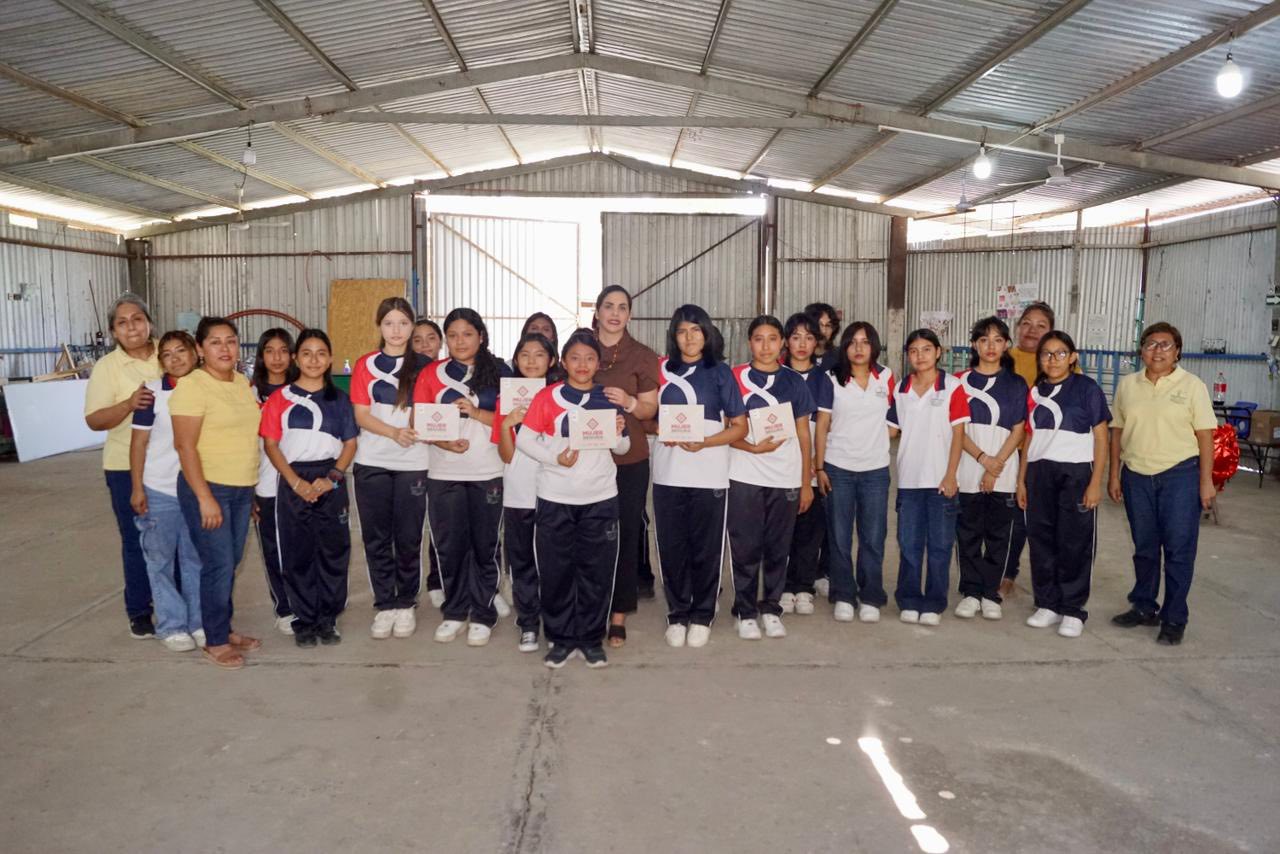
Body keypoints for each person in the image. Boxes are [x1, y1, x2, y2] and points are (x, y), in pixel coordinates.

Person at [515, 329, 630, 668]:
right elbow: (524, 439)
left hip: (600, 497)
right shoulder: (547, 397)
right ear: (563, 361)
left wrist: (619, 431)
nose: (582, 364)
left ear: (598, 363)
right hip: (555, 496)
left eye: (590, 358)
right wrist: (555, 459)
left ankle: (591, 639)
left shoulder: (607, 397)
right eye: (575, 358)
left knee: (596, 571)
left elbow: (621, 448)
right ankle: (561, 638)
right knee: (556, 571)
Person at [1108, 323, 1216, 646]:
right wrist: (1114, 474)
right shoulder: (1128, 385)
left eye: (1165, 345)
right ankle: (1143, 606)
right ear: (1141, 351)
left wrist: (1206, 481)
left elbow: (1205, 436)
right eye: (1151, 344)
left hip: (1180, 476)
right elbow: (1117, 430)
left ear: (1177, 351)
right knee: (1144, 547)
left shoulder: (1192, 386)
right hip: (1136, 475)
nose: (1157, 350)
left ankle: (1174, 618)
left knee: (1179, 550)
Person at [413, 307, 511, 647]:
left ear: (481, 336)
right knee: (449, 545)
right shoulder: (431, 374)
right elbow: (421, 422)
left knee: (485, 545)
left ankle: (483, 612)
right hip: (444, 470)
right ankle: (455, 611)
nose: (460, 341)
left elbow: (512, 421)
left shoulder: (499, 371)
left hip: (488, 469)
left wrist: (476, 412)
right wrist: (444, 442)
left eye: (467, 334)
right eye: (452, 335)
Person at [651, 305, 748, 649]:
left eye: (696, 330)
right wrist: (658, 426)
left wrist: (704, 441)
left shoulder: (720, 373)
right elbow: (650, 418)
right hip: (668, 473)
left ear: (707, 334)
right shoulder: (660, 370)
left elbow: (740, 427)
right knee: (672, 547)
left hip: (710, 475)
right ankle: (677, 614)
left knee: (707, 549)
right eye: (681, 331)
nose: (689, 338)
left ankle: (702, 613)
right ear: (673, 336)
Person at [170, 317, 263, 670]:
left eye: (231, 341)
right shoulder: (192, 386)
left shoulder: (241, 382)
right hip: (207, 488)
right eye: (215, 342)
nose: (225, 349)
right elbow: (185, 446)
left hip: (241, 489)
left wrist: (250, 489)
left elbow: (243, 439)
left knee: (230, 563)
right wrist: (204, 497)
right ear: (199, 349)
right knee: (219, 564)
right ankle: (216, 640)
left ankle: (222, 626)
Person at [260, 329, 358, 648]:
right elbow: (272, 445)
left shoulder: (340, 400)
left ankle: (328, 619)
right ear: (295, 358)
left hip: (330, 479)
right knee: (296, 552)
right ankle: (304, 619)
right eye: (306, 353)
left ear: (330, 359)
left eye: (320, 353)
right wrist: (295, 482)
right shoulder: (279, 399)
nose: (313, 360)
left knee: (333, 551)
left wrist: (331, 478)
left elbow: (350, 444)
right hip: (293, 480)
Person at [727, 315, 817, 641]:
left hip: (786, 477)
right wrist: (750, 446)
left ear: (781, 344)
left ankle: (771, 607)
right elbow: (725, 428)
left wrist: (806, 481)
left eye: (772, 339)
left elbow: (804, 435)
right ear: (749, 343)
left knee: (779, 548)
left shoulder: (795, 382)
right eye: (758, 339)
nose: (765, 346)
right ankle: (745, 610)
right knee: (745, 546)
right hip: (744, 474)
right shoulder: (734, 378)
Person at [1017, 331, 1110, 639]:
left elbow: (1100, 436)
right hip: (1040, 473)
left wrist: (1096, 482)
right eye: (1046, 354)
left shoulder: (1087, 389)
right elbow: (1029, 437)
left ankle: (1072, 609)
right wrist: (1021, 480)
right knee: (1042, 540)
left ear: (1072, 357)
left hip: (1076, 474)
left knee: (1075, 542)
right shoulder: (1036, 390)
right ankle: (1047, 603)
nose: (1052, 359)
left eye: (1059, 353)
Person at [351, 298, 431, 641]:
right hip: (372, 462)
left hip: (414, 463)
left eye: (402, 323)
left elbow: (431, 410)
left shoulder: (427, 367)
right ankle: (385, 603)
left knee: (409, 537)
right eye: (389, 323)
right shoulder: (365, 365)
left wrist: (416, 426)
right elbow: (361, 415)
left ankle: (406, 602)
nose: (396, 330)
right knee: (377, 537)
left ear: (412, 326)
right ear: (379, 326)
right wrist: (393, 432)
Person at [84, 293, 162, 638]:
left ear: (149, 321)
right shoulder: (108, 368)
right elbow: (95, 420)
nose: (132, 327)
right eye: (122, 322)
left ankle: (180, 605)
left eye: (137, 319)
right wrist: (129, 404)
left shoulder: (172, 353)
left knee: (180, 539)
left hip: (174, 463)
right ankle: (140, 611)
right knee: (137, 541)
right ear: (114, 331)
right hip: (125, 467)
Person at [591, 285, 659, 647]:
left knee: (626, 535)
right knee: (587, 536)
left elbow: (650, 409)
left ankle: (618, 614)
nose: (615, 313)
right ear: (598, 311)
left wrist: (631, 402)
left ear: (629, 315)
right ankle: (590, 607)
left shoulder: (643, 356)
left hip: (629, 461)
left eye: (622, 308)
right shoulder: (580, 349)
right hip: (584, 460)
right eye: (608, 306)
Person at [887, 329, 970, 626]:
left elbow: (959, 434)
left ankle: (934, 603)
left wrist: (950, 475)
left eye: (925, 349)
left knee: (939, 546)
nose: (919, 356)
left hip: (940, 481)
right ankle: (909, 599)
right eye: (913, 350)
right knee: (909, 544)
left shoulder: (952, 386)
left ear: (938, 352)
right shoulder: (901, 389)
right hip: (909, 480)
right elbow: (891, 431)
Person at [816, 322, 895, 624]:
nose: (859, 348)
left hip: (875, 470)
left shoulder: (886, 377)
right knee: (839, 536)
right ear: (844, 347)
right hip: (838, 468)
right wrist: (819, 466)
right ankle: (843, 594)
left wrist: (876, 437)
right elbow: (822, 425)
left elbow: (894, 418)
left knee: (873, 536)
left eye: (865, 342)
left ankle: (871, 595)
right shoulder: (831, 379)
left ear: (874, 346)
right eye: (853, 342)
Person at [129, 331, 203, 652]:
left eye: (181, 351)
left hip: (199, 489)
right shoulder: (151, 393)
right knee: (159, 559)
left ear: (195, 353)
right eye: (167, 354)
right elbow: (139, 443)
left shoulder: (209, 389)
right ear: (160, 361)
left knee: (195, 559)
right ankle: (172, 624)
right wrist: (136, 488)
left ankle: (199, 622)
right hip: (159, 489)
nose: (175, 358)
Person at [953, 317, 1027, 622]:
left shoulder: (1017, 383)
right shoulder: (958, 381)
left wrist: (996, 465)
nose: (991, 346)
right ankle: (970, 591)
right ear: (974, 345)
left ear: (1007, 344)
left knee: (999, 534)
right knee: (968, 532)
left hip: (1005, 468)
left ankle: (990, 592)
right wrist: (983, 459)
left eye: (997, 340)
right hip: (968, 465)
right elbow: (956, 429)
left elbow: (1019, 428)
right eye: (983, 340)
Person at [493, 331, 560, 653]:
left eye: (539, 354)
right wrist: (508, 423)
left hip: (556, 494)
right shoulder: (505, 400)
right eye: (525, 355)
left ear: (552, 360)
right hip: (518, 494)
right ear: (516, 360)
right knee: (521, 562)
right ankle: (529, 623)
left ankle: (557, 622)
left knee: (554, 561)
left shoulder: (562, 396)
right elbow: (506, 455)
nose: (532, 361)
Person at [1003, 301, 1067, 595]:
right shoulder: (1003, 358)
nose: (1032, 330)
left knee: (1040, 519)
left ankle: (1050, 583)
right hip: (1004, 452)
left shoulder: (1060, 364)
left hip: (1042, 455)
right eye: (1027, 323)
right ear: (1017, 328)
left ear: (1050, 332)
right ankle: (1006, 572)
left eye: (1041, 325)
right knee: (1008, 518)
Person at [780, 312, 832, 617]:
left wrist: (817, 462)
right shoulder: (777, 374)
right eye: (796, 337)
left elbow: (822, 425)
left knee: (810, 529)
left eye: (809, 337)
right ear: (787, 340)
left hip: (811, 464)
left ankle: (803, 587)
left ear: (817, 343)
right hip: (778, 462)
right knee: (782, 530)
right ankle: (784, 587)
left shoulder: (822, 379)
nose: (802, 344)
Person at [250, 328, 298, 636]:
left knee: (304, 549)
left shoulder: (304, 390)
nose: (277, 357)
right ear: (261, 356)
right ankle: (284, 608)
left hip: (301, 485)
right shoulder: (247, 393)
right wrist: (247, 491)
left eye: (283, 350)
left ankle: (309, 601)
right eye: (270, 351)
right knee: (273, 551)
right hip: (265, 485)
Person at [410, 317, 447, 609]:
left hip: (438, 459)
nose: (425, 345)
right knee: (409, 529)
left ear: (441, 342)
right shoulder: (399, 375)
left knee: (440, 524)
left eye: (431, 338)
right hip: (406, 459)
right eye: (417, 339)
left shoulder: (447, 375)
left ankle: (439, 578)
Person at [804, 302, 841, 372]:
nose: (823, 331)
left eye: (828, 325)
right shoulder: (798, 356)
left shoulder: (841, 357)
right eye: (819, 325)